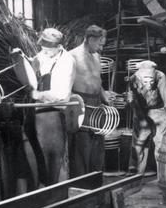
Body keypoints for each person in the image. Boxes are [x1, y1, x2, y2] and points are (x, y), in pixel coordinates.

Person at [25, 27, 76, 186]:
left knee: (53, 165)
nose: (43, 52)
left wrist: (37, 95)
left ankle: (53, 196)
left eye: (47, 49)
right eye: (42, 48)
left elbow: (60, 95)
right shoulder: (40, 57)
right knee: (36, 162)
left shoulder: (67, 61)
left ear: (58, 47)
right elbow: (29, 78)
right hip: (35, 113)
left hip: (53, 116)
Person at [68, 25, 114, 176]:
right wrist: (72, 107)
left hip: (97, 103)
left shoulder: (97, 56)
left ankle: (95, 181)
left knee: (97, 145)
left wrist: (104, 94)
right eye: (100, 44)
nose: (101, 48)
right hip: (80, 103)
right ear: (90, 39)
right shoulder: (71, 56)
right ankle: (81, 184)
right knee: (82, 147)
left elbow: (97, 80)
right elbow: (65, 84)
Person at [126, 60, 166, 174]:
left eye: (151, 81)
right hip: (141, 111)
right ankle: (134, 175)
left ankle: (164, 176)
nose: (149, 84)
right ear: (140, 77)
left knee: (161, 146)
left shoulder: (160, 77)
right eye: (146, 81)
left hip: (159, 111)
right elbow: (133, 104)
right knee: (138, 145)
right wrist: (142, 120)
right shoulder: (133, 79)